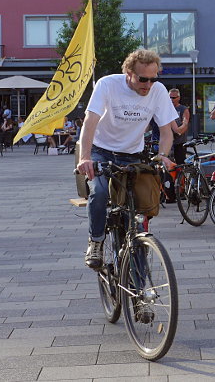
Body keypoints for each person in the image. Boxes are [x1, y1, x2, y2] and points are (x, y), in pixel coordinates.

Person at [76, 49, 178, 270]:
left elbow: (167, 131)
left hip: (133, 155)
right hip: (100, 151)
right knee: (100, 192)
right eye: (143, 79)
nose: (148, 85)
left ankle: (139, 290)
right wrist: (85, 158)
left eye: (153, 79)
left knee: (138, 220)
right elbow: (90, 121)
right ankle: (96, 240)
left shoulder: (158, 91)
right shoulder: (108, 84)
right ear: (129, 73)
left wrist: (162, 156)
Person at [169, 88, 190, 164]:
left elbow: (185, 122)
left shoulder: (183, 109)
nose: (171, 99)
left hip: (179, 141)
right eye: (170, 97)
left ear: (178, 98)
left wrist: (179, 131)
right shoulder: (166, 108)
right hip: (168, 141)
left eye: (174, 97)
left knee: (180, 164)